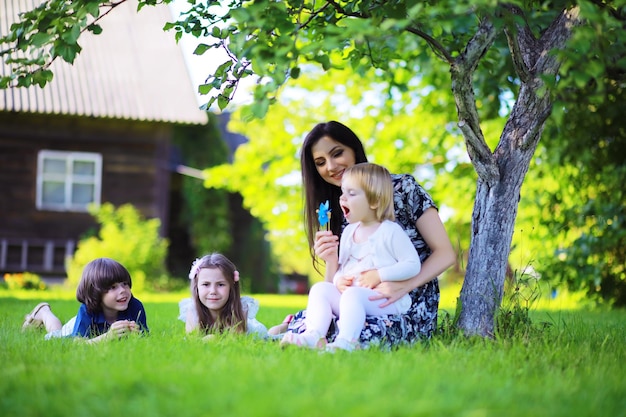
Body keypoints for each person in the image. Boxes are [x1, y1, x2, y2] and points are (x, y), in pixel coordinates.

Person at [269, 121, 455, 349]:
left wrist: (404, 285)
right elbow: (337, 283)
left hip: (406, 298)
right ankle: (305, 332)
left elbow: (445, 253)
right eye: (320, 162)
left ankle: (302, 329)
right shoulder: (343, 209)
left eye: (337, 154)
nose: (330, 166)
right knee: (326, 311)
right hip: (357, 298)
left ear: (354, 149)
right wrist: (331, 262)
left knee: (363, 331)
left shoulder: (400, 188)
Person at [281, 163, 422, 351]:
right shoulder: (348, 232)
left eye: (351, 194)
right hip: (353, 299)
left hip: (386, 301)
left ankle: (346, 342)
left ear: (374, 201)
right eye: (342, 192)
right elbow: (343, 268)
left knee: (353, 295)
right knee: (320, 289)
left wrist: (379, 275)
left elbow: (413, 265)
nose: (342, 198)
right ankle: (314, 335)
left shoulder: (390, 231)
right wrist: (339, 280)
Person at [21, 257, 149, 343]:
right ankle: (44, 312)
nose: (122, 290)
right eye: (113, 287)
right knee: (56, 335)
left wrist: (136, 335)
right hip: (75, 329)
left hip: (91, 332)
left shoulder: (135, 306)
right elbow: (77, 344)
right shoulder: (87, 310)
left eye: (125, 284)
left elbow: (145, 339)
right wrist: (108, 337)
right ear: (97, 292)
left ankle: (44, 312)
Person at [178, 253, 268, 339]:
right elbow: (192, 339)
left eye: (220, 284)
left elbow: (235, 339)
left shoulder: (241, 308)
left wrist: (212, 338)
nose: (213, 291)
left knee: (271, 335)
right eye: (206, 284)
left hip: (258, 334)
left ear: (231, 286)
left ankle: (282, 326)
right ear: (196, 286)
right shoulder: (193, 310)